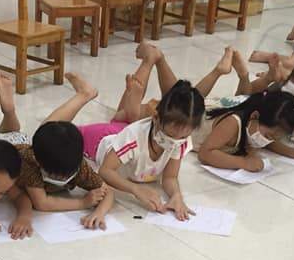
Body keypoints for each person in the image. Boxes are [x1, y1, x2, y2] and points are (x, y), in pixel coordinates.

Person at [0, 71, 116, 230]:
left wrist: (99, 213)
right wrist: (83, 203)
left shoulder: (75, 163)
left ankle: (10, 110)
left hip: (19, 141)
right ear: (39, 163)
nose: (61, 178)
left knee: (49, 131)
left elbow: (107, 191)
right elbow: (42, 203)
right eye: (55, 175)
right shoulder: (30, 166)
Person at [87, 80, 205, 220]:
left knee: (123, 122)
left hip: (125, 138)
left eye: (183, 137)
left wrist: (176, 195)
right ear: (155, 117)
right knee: (72, 134)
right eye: (170, 135)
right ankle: (85, 95)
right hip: (99, 141)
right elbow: (105, 171)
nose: (175, 141)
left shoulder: (180, 141)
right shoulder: (133, 137)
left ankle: (131, 107)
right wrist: (135, 189)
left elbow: (170, 177)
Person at [196, 90, 294, 173]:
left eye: (272, 139)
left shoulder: (251, 128)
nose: (266, 141)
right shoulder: (232, 123)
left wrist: (293, 152)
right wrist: (243, 163)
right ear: (254, 116)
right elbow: (204, 154)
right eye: (267, 136)